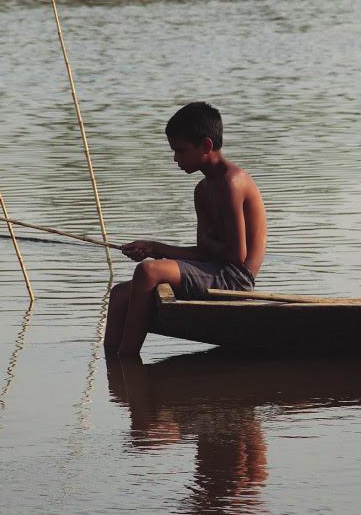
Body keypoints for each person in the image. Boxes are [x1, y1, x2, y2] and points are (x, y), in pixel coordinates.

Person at [104, 102, 267, 356]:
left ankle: (127, 360)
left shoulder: (231, 182)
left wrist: (207, 243)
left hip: (235, 280)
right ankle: (114, 365)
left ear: (206, 146)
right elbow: (204, 251)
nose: (175, 159)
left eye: (181, 150)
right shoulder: (202, 189)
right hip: (214, 270)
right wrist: (153, 247)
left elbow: (235, 257)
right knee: (119, 294)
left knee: (148, 271)